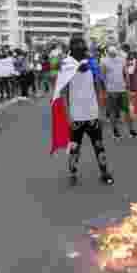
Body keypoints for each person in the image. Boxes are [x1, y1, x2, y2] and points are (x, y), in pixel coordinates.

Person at [55, 37, 114, 186]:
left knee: (99, 145)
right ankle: (72, 172)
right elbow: (63, 91)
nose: (80, 49)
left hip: (92, 113)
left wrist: (101, 110)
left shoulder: (92, 64)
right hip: (76, 115)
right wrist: (67, 114)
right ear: (71, 48)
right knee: (75, 147)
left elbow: (99, 88)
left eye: (82, 46)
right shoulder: (66, 65)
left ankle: (104, 172)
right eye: (77, 46)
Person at [101, 46, 130, 139]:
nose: (113, 54)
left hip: (116, 89)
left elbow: (103, 75)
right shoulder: (119, 59)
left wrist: (105, 87)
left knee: (117, 111)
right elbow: (126, 73)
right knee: (122, 110)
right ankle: (119, 130)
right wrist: (127, 83)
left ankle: (117, 131)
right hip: (117, 89)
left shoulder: (104, 61)